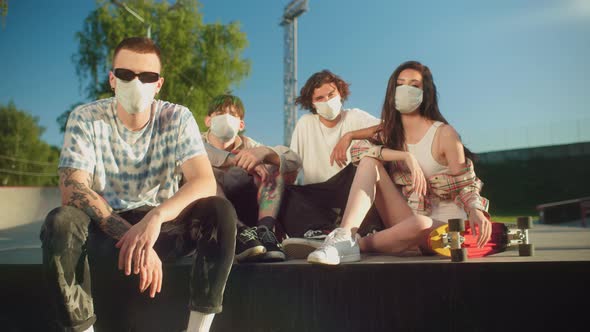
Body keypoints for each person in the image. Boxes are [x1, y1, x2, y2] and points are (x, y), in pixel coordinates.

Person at [40, 37, 237, 332]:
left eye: (147, 77)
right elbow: (73, 190)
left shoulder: (177, 117)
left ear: (158, 84)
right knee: (60, 221)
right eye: (126, 74)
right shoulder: (86, 117)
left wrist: (154, 218)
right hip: (106, 230)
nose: (136, 83)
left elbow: (204, 181)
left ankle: (197, 329)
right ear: (112, 79)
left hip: (162, 229)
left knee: (220, 211)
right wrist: (136, 240)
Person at [307, 60, 492, 265]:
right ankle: (344, 235)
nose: (405, 90)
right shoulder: (390, 133)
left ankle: (354, 245)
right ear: (392, 91)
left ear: (426, 92)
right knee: (369, 161)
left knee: (419, 224)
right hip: (404, 220)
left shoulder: (444, 133)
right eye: (400, 84)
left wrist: (476, 210)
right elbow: (360, 153)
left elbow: (466, 184)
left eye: (414, 85)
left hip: (444, 230)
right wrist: (405, 156)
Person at [280, 70, 382, 258]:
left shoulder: (354, 116)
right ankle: (319, 233)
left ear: (340, 93)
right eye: (320, 97)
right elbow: (293, 164)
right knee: (285, 191)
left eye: (331, 94)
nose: (327, 100)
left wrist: (349, 136)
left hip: (349, 188)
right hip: (318, 193)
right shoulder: (305, 123)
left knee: (363, 166)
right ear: (312, 103)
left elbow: (388, 127)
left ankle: (366, 229)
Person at [202, 94, 301, 262]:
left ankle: (265, 233)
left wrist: (264, 153)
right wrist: (235, 160)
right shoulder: (194, 141)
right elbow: (196, 153)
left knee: (272, 171)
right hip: (207, 213)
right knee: (204, 176)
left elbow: (294, 160)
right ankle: (237, 232)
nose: (226, 118)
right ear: (208, 121)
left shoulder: (250, 145)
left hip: (247, 205)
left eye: (232, 114)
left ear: (241, 124)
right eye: (219, 113)